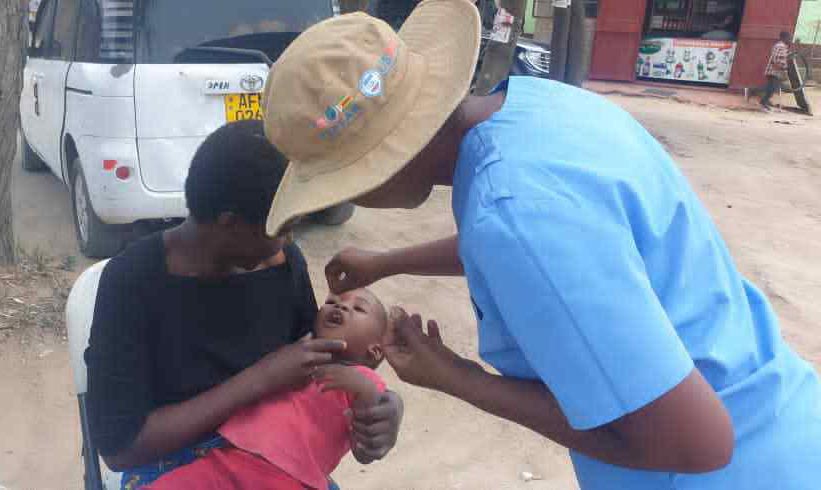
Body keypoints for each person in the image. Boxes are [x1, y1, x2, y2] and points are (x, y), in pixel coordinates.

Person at [259, 2, 821, 489]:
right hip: (781, 413)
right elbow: (542, 248)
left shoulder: (514, 215)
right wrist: (386, 264)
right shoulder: (533, 111)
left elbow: (696, 445)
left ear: (379, 165)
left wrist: (456, 377)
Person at [84, 121, 403, 490]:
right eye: (281, 229)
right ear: (230, 224)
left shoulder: (284, 266)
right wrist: (260, 379)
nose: (288, 242)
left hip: (269, 466)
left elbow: (329, 366)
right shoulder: (133, 281)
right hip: (175, 470)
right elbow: (121, 447)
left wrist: (385, 407)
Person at [145, 288, 391, 490]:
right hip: (229, 460)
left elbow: (366, 450)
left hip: (289, 480)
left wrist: (365, 390)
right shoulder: (295, 354)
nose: (340, 306)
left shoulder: (364, 379)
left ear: (375, 351)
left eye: (358, 308)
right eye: (331, 301)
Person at [761, 31, 792, 110]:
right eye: (789, 38)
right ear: (784, 38)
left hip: (773, 70)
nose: (790, 39)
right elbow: (777, 59)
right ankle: (764, 102)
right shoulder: (781, 46)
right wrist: (784, 67)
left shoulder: (780, 45)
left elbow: (780, 57)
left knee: (771, 87)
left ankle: (765, 101)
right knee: (772, 87)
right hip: (774, 70)